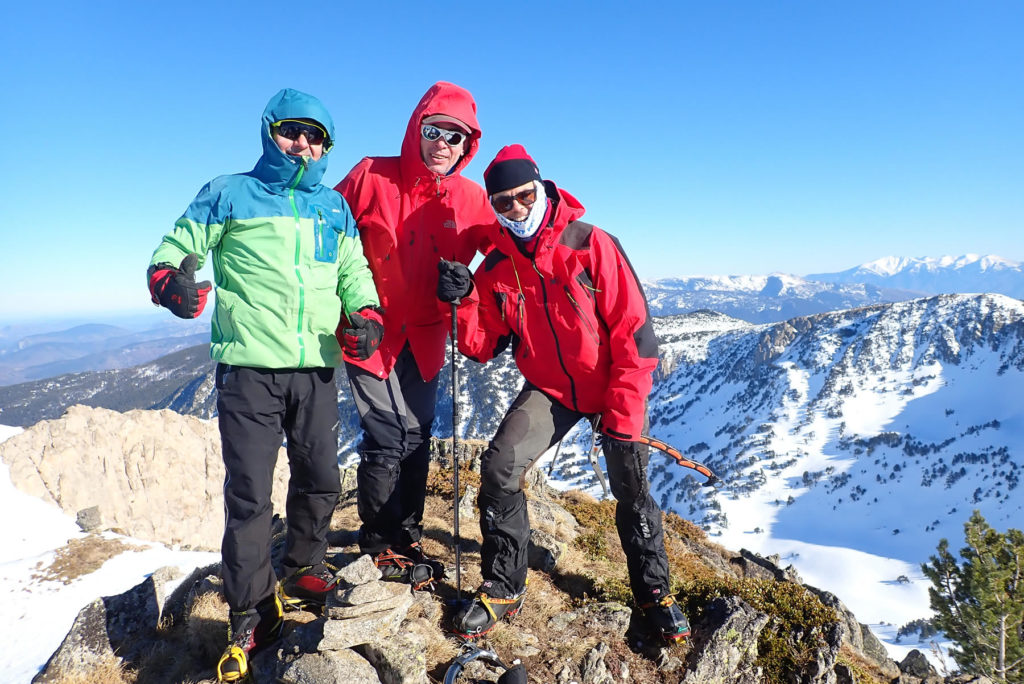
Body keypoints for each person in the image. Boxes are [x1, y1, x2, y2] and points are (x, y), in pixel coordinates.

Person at [147, 88, 382, 683]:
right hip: (249, 368)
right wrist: (169, 282)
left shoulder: (332, 207)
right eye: (292, 131)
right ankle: (251, 608)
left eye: (315, 136)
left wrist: (369, 315)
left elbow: (353, 272)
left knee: (322, 475)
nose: (303, 144)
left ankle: (304, 565)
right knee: (250, 492)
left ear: (326, 146)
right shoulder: (229, 192)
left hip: (317, 365)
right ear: (269, 131)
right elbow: (176, 248)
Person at [436, 145, 691, 642]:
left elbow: (635, 338)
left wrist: (621, 417)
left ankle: (655, 593)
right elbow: (481, 346)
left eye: (524, 196)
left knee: (631, 487)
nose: (517, 209)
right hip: (551, 389)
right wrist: (465, 297)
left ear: (542, 189)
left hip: (613, 385)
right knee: (499, 468)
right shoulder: (495, 267)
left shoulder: (591, 244)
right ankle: (505, 585)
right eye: (503, 203)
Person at [334, 81, 494, 587]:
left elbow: (505, 259)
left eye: (456, 137)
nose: (443, 144)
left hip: (425, 338)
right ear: (416, 130)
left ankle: (406, 533)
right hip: (369, 332)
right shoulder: (370, 176)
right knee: (386, 434)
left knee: (418, 436)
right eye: (434, 131)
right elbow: (324, 235)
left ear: (468, 146)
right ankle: (379, 543)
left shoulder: (471, 199)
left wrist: (467, 286)